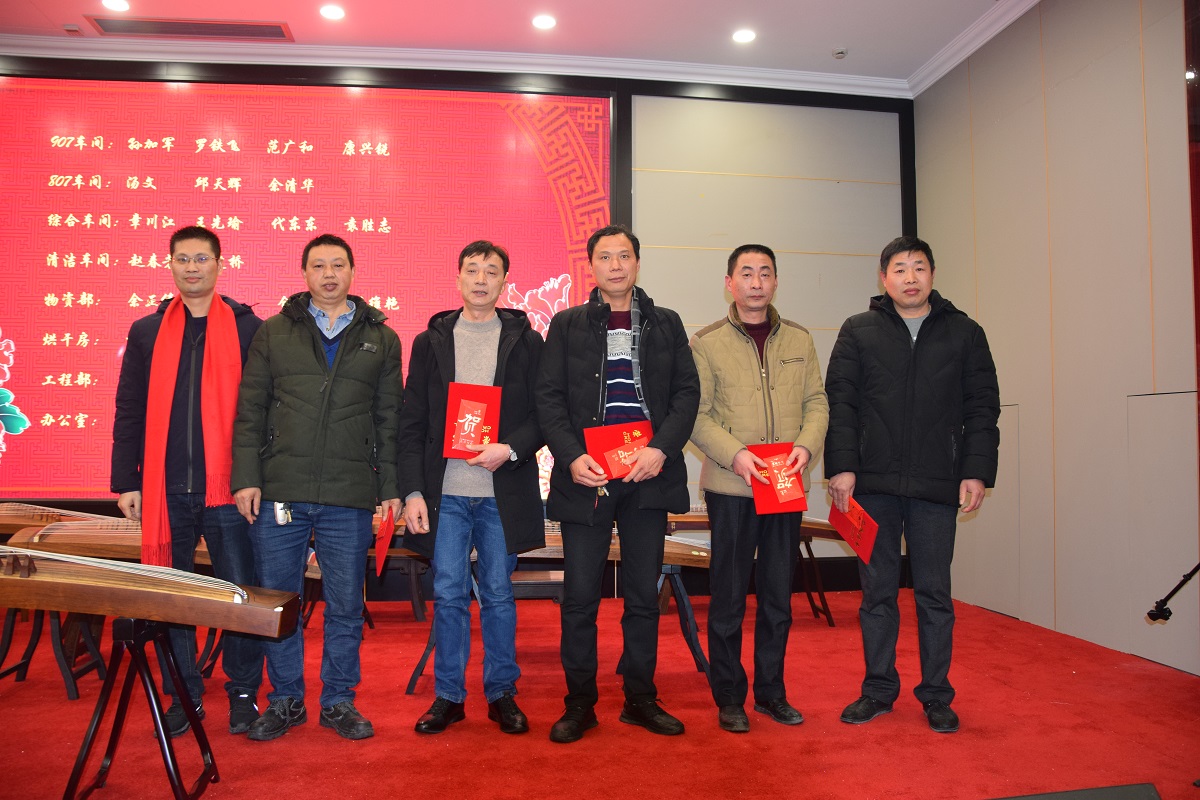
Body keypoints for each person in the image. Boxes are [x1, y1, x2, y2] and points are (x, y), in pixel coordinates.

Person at [824, 235, 1000, 734]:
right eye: (899, 269)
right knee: (877, 592)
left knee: (934, 594)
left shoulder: (965, 333)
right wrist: (842, 466)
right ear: (884, 278)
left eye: (919, 267)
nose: (910, 278)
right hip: (873, 483)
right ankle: (878, 689)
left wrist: (975, 470)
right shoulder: (858, 331)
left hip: (936, 485)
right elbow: (841, 403)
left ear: (932, 274)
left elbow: (982, 408)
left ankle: (937, 695)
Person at [232, 233, 402, 741]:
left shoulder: (382, 338)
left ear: (352, 271)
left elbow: (389, 420)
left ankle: (338, 700)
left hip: (349, 493)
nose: (329, 274)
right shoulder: (273, 332)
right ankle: (285, 700)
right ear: (304, 273)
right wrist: (246, 478)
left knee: (345, 605)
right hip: (280, 489)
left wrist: (390, 487)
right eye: (319, 266)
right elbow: (249, 411)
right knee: (277, 601)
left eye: (338, 265)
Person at [536, 223, 700, 743]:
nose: (615, 265)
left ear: (637, 263)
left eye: (624, 256)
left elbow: (687, 394)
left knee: (643, 597)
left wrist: (661, 449)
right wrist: (571, 456)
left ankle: (640, 698)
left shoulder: (666, 323)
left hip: (647, 474)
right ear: (591, 266)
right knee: (580, 597)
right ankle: (580, 703)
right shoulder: (567, 324)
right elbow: (548, 397)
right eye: (605, 257)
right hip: (588, 475)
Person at [111, 225, 264, 738]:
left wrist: (255, 476)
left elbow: (262, 411)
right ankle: (183, 693)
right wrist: (126, 480)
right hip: (164, 489)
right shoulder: (147, 331)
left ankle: (243, 692)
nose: (192, 267)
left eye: (202, 258)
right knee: (172, 598)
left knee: (238, 596)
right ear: (170, 264)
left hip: (230, 491)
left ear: (220, 264)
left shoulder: (249, 329)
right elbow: (130, 408)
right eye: (183, 258)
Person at [397, 240, 545, 736]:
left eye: (491, 271)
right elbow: (412, 421)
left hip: (502, 492)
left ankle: (502, 693)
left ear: (504, 281)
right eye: (472, 270)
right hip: (446, 495)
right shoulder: (431, 341)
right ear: (458, 277)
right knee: (448, 594)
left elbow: (545, 414)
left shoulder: (526, 342)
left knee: (499, 594)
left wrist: (511, 447)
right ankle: (449, 696)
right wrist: (412, 491)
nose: (481, 279)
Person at [689, 243, 828, 733]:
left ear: (775, 282)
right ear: (730, 283)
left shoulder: (800, 339)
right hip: (732, 485)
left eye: (765, 273)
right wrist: (736, 454)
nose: (756, 282)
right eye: (746, 273)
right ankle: (729, 696)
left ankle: (772, 693)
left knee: (777, 597)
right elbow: (696, 416)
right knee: (727, 597)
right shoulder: (706, 342)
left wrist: (806, 447)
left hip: (784, 484)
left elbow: (817, 402)